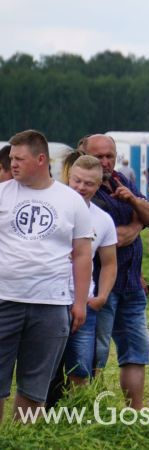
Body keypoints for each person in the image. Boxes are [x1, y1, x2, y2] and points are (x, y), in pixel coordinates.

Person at [0, 130, 93, 422]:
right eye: (11, 158)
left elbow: (82, 254)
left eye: (19, 158)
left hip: (51, 304)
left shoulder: (71, 200)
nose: (12, 164)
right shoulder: (2, 193)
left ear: (41, 159)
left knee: (34, 387)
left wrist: (79, 302)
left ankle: (22, 439)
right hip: (4, 299)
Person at [85, 134, 149, 410]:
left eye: (110, 156)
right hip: (100, 287)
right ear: (84, 156)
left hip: (131, 283)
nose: (105, 162)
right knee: (94, 354)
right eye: (99, 157)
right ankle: (87, 408)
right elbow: (115, 238)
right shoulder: (86, 189)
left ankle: (135, 412)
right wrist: (135, 224)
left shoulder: (121, 180)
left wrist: (134, 202)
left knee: (136, 353)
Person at [58, 155, 119, 389]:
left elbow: (109, 262)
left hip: (83, 304)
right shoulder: (54, 208)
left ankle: (78, 415)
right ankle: (40, 419)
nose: (81, 187)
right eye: (77, 181)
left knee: (81, 369)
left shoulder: (103, 220)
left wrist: (102, 295)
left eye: (89, 183)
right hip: (49, 300)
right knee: (46, 370)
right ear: (69, 177)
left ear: (99, 185)